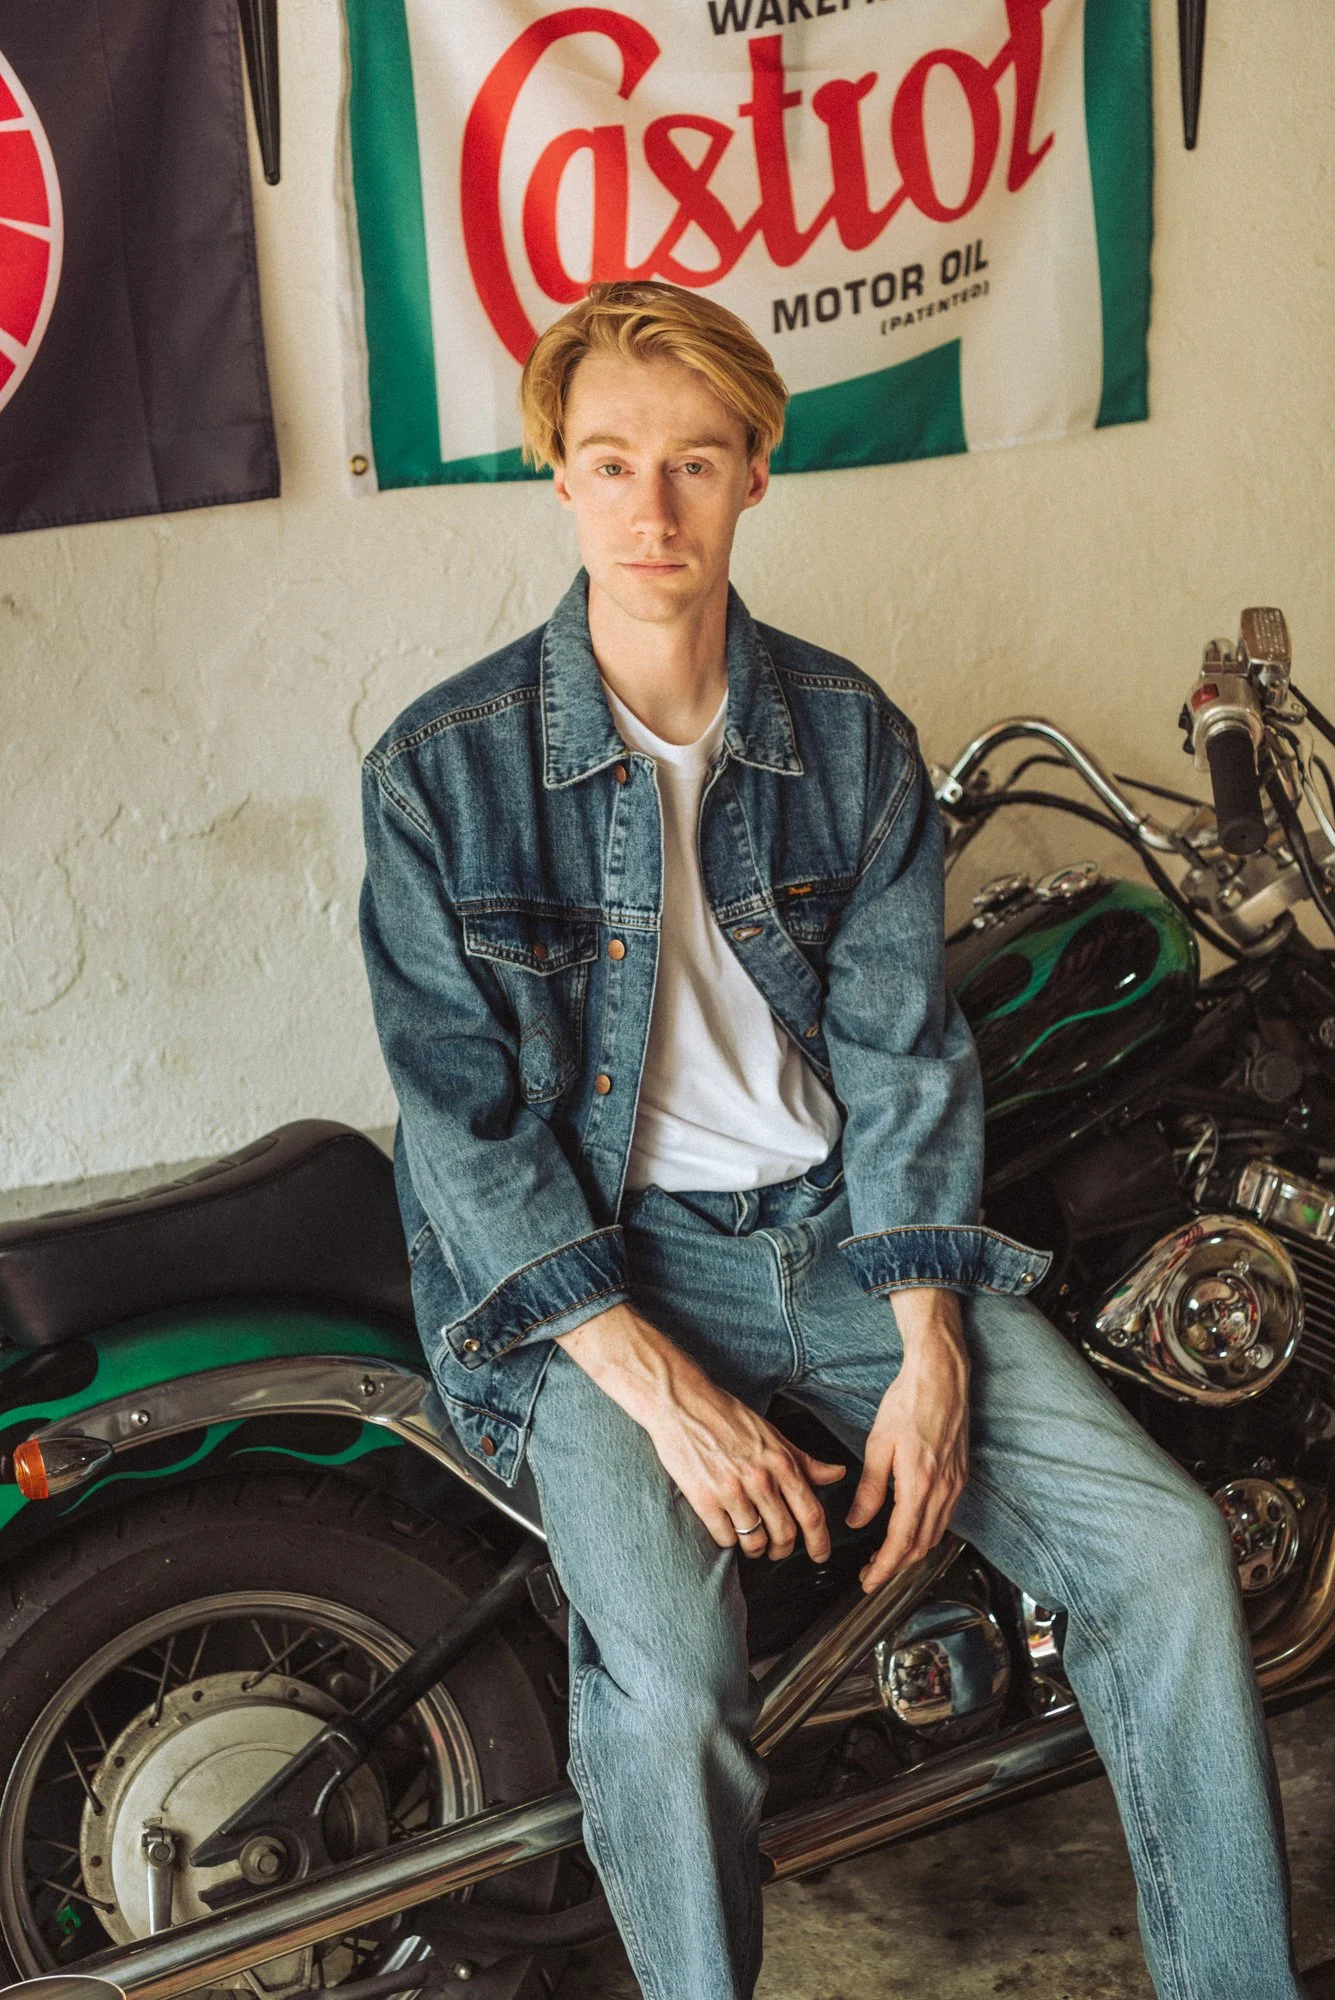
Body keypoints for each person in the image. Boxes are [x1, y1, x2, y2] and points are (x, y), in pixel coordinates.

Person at [359, 281, 1300, 2000]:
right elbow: (464, 1129)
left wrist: (930, 1338)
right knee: (670, 1689)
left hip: (844, 1235)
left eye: (695, 463)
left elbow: (902, 1058)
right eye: (613, 463)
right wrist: (656, 1382)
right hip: (600, 1281)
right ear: (557, 479)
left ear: (754, 477)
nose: (654, 509)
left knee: (1160, 1557)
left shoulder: (845, 734)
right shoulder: (442, 772)